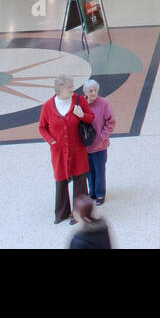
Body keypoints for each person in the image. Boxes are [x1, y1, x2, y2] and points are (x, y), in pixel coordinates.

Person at [38, 74, 95, 225]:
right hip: (58, 152)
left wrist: (81, 115)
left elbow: (91, 118)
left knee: (80, 180)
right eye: (69, 87)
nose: (72, 89)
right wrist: (52, 141)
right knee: (61, 180)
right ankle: (62, 213)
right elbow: (42, 128)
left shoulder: (79, 100)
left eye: (72, 86)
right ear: (60, 90)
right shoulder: (48, 106)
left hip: (77, 149)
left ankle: (80, 213)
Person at [83, 79, 116, 205]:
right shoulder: (81, 105)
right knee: (89, 171)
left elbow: (111, 122)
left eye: (95, 90)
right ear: (85, 92)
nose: (93, 93)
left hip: (100, 146)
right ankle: (92, 192)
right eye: (90, 91)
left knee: (99, 170)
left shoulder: (104, 103)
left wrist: (102, 136)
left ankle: (100, 194)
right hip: (86, 146)